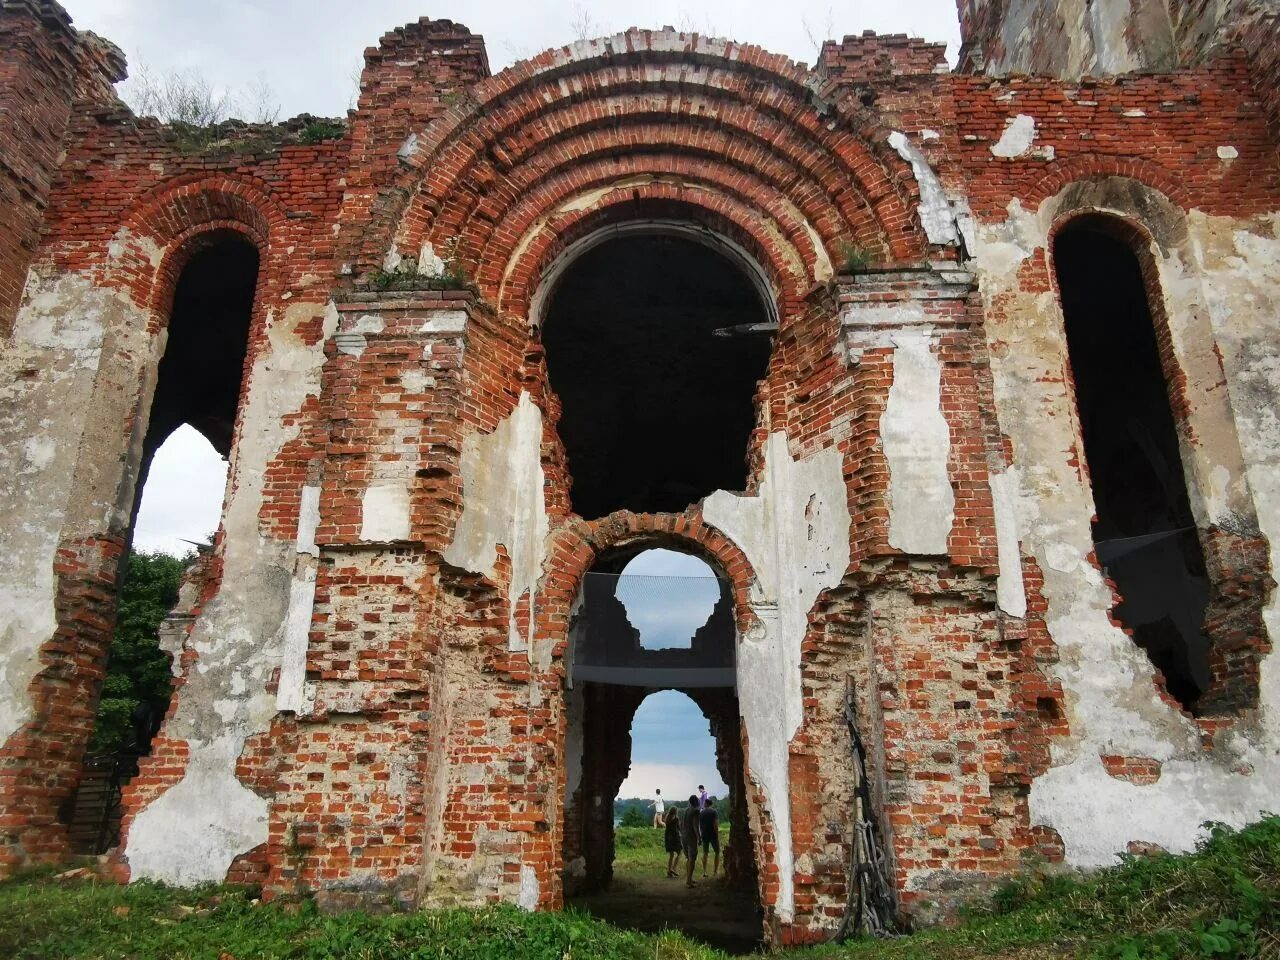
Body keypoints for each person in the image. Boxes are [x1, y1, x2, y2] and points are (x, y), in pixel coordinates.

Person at [681, 794, 702, 888]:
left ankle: (689, 878)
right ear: (696, 801)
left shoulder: (686, 810)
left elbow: (682, 823)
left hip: (684, 836)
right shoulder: (696, 811)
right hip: (691, 837)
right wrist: (699, 837)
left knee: (688, 859)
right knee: (692, 859)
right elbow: (695, 825)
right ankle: (689, 880)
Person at [699, 797, 720, 878]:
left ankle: (704, 872)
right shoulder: (714, 812)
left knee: (705, 853)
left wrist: (701, 834)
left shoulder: (701, 812)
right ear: (711, 804)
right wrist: (717, 834)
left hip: (704, 834)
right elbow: (715, 824)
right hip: (713, 835)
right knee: (717, 852)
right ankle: (715, 871)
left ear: (705, 804)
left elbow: (700, 825)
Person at [663, 807, 682, 878]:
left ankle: (669, 871)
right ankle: (673, 869)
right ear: (675, 811)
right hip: (675, 837)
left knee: (671, 855)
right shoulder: (676, 819)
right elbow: (678, 828)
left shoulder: (667, 818)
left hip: (668, 838)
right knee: (679, 853)